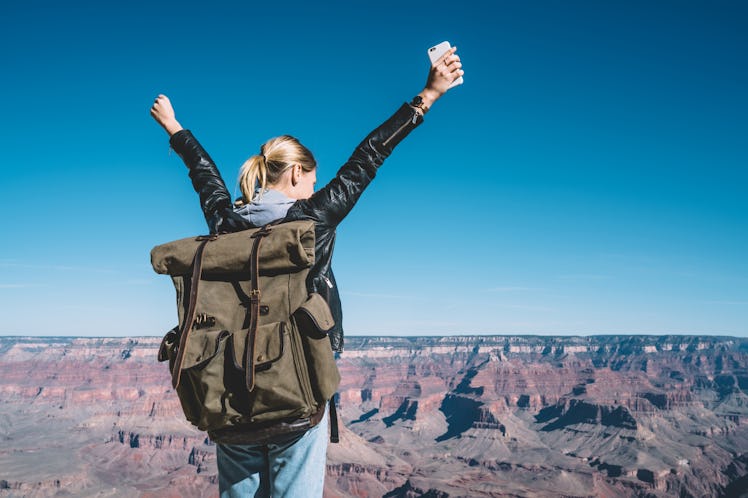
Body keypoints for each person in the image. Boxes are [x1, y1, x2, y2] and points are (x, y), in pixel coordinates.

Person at [151, 46, 463, 498]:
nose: (315, 188)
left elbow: (207, 180)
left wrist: (176, 128)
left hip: (230, 403)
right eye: (313, 180)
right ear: (297, 172)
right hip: (297, 401)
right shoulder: (311, 220)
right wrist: (427, 97)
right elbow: (367, 160)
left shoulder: (225, 224)